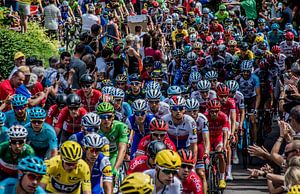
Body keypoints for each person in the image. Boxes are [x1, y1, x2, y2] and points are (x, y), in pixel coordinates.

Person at [96, 102, 128, 176]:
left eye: (109, 116)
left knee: (111, 172)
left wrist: (116, 168)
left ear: (113, 116)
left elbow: (122, 149)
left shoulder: (121, 127)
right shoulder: (95, 128)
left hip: (114, 154)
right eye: (103, 117)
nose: (106, 120)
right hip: (99, 154)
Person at [205, 99, 229, 189]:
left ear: (219, 110)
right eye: (212, 111)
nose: (214, 113)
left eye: (216, 111)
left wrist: (225, 146)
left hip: (218, 138)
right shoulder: (205, 117)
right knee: (205, 158)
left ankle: (222, 179)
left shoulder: (224, 117)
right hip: (208, 139)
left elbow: (225, 133)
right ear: (208, 111)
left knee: (220, 154)